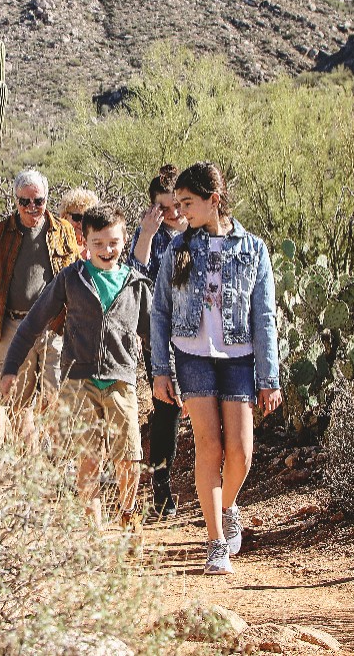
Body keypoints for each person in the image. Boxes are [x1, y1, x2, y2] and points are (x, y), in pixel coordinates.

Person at [150, 162, 281, 575]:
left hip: (239, 359)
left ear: (214, 200)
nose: (181, 211)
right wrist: (160, 370)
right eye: (178, 203)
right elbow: (160, 312)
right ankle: (215, 541)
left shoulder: (254, 249)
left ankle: (226, 506)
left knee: (241, 452)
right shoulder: (178, 248)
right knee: (209, 445)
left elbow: (264, 316)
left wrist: (269, 378)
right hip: (193, 357)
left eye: (188, 203)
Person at [0, 204, 151, 531]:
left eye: (112, 242)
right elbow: (34, 322)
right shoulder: (72, 278)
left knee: (129, 458)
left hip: (121, 381)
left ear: (124, 239)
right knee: (90, 459)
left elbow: (154, 335)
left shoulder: (136, 284)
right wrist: (11, 366)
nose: (106, 250)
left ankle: (128, 517)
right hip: (78, 382)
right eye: (98, 243)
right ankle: (92, 533)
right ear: (85, 241)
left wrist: (168, 378)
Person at [0, 169, 79, 444]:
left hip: (54, 326)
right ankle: (27, 463)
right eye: (24, 202)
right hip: (12, 326)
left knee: (57, 396)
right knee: (16, 398)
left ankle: (59, 465)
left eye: (38, 201)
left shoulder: (62, 231)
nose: (32, 208)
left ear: (46, 200)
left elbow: (77, 275)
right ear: (15, 201)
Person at [125, 164, 188, 519]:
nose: (173, 213)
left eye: (177, 204)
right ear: (153, 208)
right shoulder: (148, 235)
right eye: (164, 207)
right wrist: (147, 236)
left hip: (198, 335)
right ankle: (161, 483)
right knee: (169, 407)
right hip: (159, 337)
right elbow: (133, 279)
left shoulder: (198, 231)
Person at [57, 187, 100, 257]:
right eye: (77, 217)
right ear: (64, 217)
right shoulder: (55, 244)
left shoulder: (97, 247)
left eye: (87, 219)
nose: (82, 223)